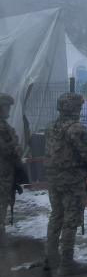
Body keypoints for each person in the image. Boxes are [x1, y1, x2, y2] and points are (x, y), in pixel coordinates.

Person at [43, 92, 87, 275]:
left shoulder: (52, 126)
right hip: (72, 180)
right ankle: (66, 262)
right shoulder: (76, 128)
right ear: (74, 108)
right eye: (79, 107)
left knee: (56, 216)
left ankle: (51, 257)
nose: (80, 110)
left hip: (54, 179)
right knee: (71, 219)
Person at [0, 93, 24, 249]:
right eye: (7, 107)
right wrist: (20, 167)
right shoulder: (3, 128)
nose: (8, 110)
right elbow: (9, 151)